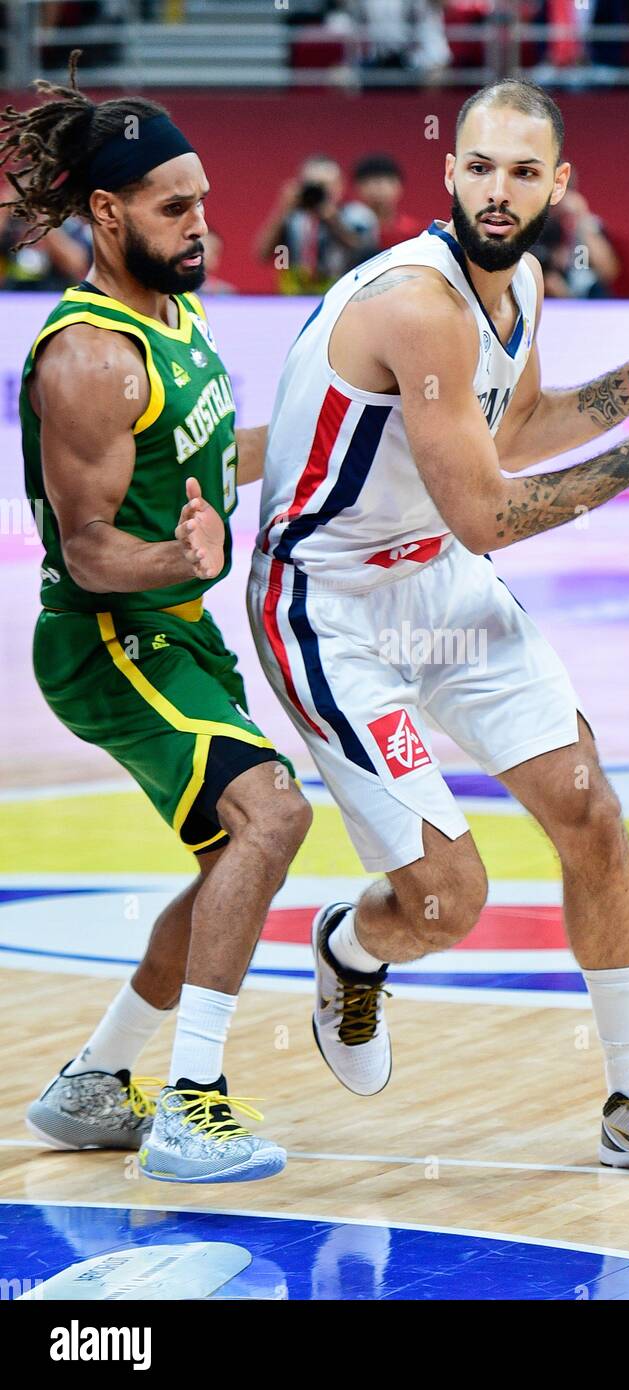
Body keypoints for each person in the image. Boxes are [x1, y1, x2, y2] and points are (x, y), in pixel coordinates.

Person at [217, 79, 629, 1181]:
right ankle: (349, 945)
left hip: (435, 583)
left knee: (587, 808)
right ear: (448, 173)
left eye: (521, 171)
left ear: (557, 184)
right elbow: (486, 510)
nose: (497, 192)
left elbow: (508, 432)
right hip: (328, 605)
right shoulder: (416, 303)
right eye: (478, 167)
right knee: (448, 898)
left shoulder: (523, 285)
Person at [2, 52, 312, 1184]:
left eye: (203, 203)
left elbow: (198, 460)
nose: (201, 225)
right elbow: (87, 547)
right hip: (104, 637)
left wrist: (343, 447)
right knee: (272, 820)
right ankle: (192, 1102)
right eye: (175, 207)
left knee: (240, 847)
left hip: (176, 627)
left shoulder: (176, 314)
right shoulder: (90, 353)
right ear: (105, 210)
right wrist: (183, 555)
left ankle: (96, 1077)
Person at [254, 155, 377, 294]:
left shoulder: (357, 215)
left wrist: (332, 219)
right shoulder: (293, 219)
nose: (320, 191)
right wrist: (282, 209)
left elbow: (366, 255)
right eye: (314, 185)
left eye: (326, 185)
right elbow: (263, 254)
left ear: (340, 185)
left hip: (343, 295)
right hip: (296, 296)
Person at [344, 155, 424, 254]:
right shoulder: (343, 228)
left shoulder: (415, 233)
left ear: (399, 187)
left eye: (388, 181)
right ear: (357, 187)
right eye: (371, 181)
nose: (380, 187)